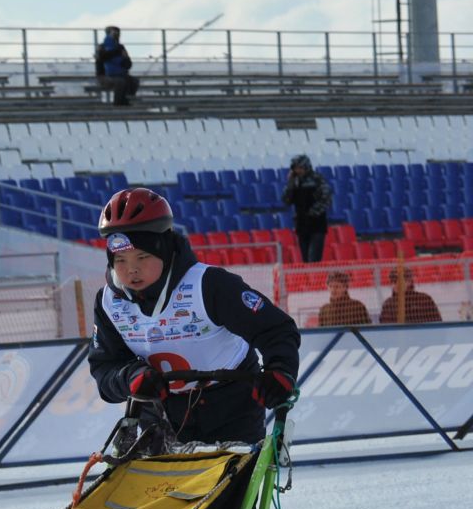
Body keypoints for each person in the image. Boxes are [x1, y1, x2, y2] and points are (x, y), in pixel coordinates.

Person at [87, 188, 301, 445]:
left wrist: (280, 371)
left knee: (230, 485)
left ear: (164, 251)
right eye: (120, 259)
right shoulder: (109, 303)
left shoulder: (209, 285)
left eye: (142, 257)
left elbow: (276, 329)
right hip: (159, 414)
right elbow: (105, 369)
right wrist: (130, 377)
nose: (131, 269)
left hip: (231, 406)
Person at [281, 156, 332, 264]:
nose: (297, 170)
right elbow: (286, 200)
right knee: (305, 261)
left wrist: (312, 213)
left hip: (317, 225)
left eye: (300, 167)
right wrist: (290, 183)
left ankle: (315, 279)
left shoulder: (317, 179)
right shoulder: (294, 182)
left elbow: (326, 199)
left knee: (313, 259)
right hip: (302, 225)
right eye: (295, 168)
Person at [378, 263, 443, 324]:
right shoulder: (388, 304)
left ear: (409, 281)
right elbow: (384, 328)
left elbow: (437, 322)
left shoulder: (424, 299)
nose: (396, 285)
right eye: (393, 282)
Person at [95, 26, 137, 107]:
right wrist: (116, 51)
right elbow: (102, 57)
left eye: (118, 33)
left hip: (120, 74)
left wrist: (125, 58)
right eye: (114, 33)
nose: (117, 35)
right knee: (120, 82)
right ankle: (118, 104)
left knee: (133, 81)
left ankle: (127, 100)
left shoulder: (120, 47)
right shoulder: (102, 47)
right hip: (103, 76)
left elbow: (128, 65)